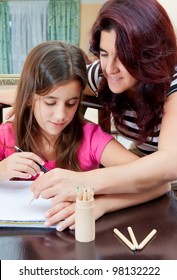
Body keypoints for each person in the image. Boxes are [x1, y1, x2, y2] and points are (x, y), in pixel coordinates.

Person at [0, 0, 174, 230]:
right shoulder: (103, 75)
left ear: (149, 55)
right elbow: (55, 86)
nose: (110, 68)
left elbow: (166, 171)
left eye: (124, 56)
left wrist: (87, 188)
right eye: (103, 53)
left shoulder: (172, 85)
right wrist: (26, 99)